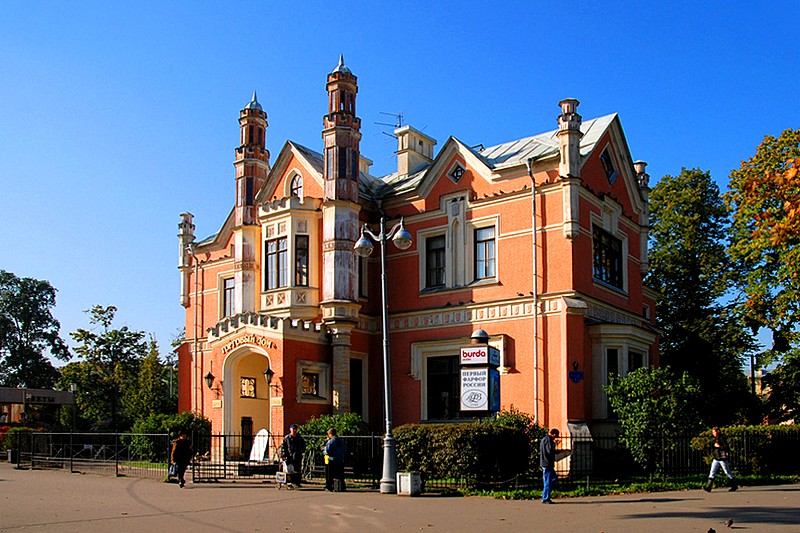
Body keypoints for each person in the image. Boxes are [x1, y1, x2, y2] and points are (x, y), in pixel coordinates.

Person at [704, 426, 738, 492]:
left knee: (727, 472)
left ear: (718, 431)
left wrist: (719, 446)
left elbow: (726, 447)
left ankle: (734, 485)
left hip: (722, 458)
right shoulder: (715, 439)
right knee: (712, 471)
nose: (713, 433)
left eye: (714, 432)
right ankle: (708, 487)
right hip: (716, 458)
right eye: (713, 432)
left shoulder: (722, 438)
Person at [280, 423, 306, 487]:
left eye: (295, 429)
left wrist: (301, 451)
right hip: (289, 456)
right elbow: (283, 447)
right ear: (290, 429)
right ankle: (289, 482)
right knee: (289, 470)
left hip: (297, 456)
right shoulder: (287, 438)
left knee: (297, 470)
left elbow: (303, 446)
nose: (294, 430)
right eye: (293, 429)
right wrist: (284, 455)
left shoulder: (299, 438)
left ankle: (297, 482)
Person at [322, 427, 346, 492]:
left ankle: (329, 487)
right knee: (340, 474)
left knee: (330, 475)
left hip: (332, 459)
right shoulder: (341, 440)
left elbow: (328, 451)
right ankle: (341, 487)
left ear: (330, 434)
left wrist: (323, 450)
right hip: (340, 459)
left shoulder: (331, 441)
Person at [539, 428, 559, 503]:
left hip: (545, 463)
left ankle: (545, 495)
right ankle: (545, 497)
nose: (555, 437)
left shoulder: (544, 439)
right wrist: (556, 452)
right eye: (556, 435)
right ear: (553, 434)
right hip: (547, 463)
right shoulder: (548, 440)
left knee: (553, 479)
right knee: (548, 480)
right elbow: (549, 451)